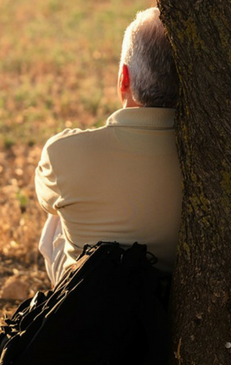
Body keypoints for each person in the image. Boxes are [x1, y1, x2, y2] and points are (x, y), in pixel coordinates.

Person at [35, 7, 182, 285]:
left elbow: (45, 200)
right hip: (167, 305)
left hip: (91, 307)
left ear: (123, 78)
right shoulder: (208, 158)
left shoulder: (63, 152)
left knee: (57, 214)